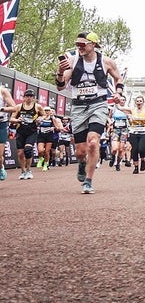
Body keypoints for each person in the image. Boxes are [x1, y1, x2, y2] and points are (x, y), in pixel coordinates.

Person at [56, 31, 124, 194]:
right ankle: (81, 163)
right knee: (80, 151)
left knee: (93, 142)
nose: (79, 47)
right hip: (79, 106)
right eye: (77, 44)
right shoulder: (72, 61)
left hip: (98, 104)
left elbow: (118, 79)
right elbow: (60, 86)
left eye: (82, 44)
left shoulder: (106, 62)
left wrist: (118, 93)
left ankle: (88, 180)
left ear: (93, 44)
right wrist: (59, 72)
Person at [5, 88, 43, 180]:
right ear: (24, 97)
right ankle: (23, 171)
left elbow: (44, 115)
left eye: (31, 96)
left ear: (34, 98)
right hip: (20, 131)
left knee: (28, 150)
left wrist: (40, 119)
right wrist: (18, 120)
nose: (29, 98)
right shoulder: (18, 107)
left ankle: (29, 170)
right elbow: (11, 118)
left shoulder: (37, 107)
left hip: (32, 131)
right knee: (20, 153)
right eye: (27, 96)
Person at [118, 95, 145, 174]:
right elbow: (121, 108)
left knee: (141, 148)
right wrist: (116, 100)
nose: (139, 103)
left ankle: (142, 160)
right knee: (134, 150)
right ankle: (136, 167)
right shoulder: (132, 110)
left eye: (140, 101)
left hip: (144, 132)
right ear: (135, 102)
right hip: (134, 132)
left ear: (143, 102)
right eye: (137, 101)